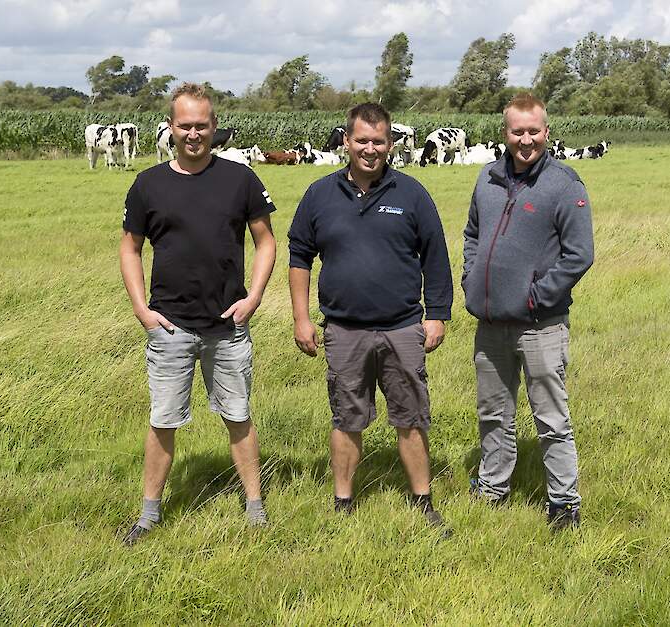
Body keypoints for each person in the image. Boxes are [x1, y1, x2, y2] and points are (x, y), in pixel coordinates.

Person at [119, 83, 277, 546]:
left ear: (214, 126)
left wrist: (254, 298)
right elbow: (130, 248)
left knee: (238, 416)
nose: (193, 134)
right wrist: (141, 309)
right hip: (170, 326)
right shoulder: (148, 184)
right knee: (163, 420)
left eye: (201, 125)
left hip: (228, 327)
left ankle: (255, 508)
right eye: (184, 125)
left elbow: (266, 241)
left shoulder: (239, 179)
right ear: (171, 127)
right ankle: (149, 514)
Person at [288, 103, 453, 535]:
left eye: (379, 141)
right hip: (344, 329)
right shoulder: (319, 195)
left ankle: (423, 501)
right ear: (346, 141)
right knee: (347, 417)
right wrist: (301, 318)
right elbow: (299, 257)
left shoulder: (411, 194)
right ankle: (343, 501)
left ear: (391, 144)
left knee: (411, 416)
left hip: (402, 326)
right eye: (361, 140)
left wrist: (436, 315)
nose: (370, 149)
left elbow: (436, 255)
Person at [462, 93, 594, 531]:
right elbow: (473, 234)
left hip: (541, 325)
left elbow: (579, 255)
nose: (526, 139)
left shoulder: (564, 183)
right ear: (506, 133)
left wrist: (536, 296)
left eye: (533, 131)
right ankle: (493, 488)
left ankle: (563, 503)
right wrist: (470, 279)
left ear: (546, 131)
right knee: (492, 412)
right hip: (490, 323)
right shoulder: (487, 178)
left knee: (551, 417)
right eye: (517, 131)